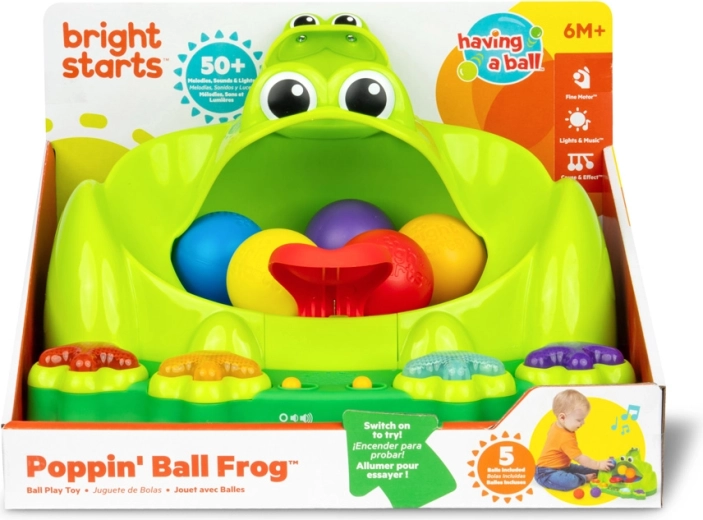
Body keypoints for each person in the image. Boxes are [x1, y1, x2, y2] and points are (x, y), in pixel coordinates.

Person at [535, 389, 613, 491]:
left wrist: (598, 467)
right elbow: (580, 458)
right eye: (579, 420)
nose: (583, 423)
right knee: (570, 481)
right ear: (562, 418)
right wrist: (598, 464)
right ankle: (582, 478)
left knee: (591, 469)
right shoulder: (565, 438)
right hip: (546, 473)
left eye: (583, 419)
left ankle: (600, 471)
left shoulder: (557, 424)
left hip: (564, 467)